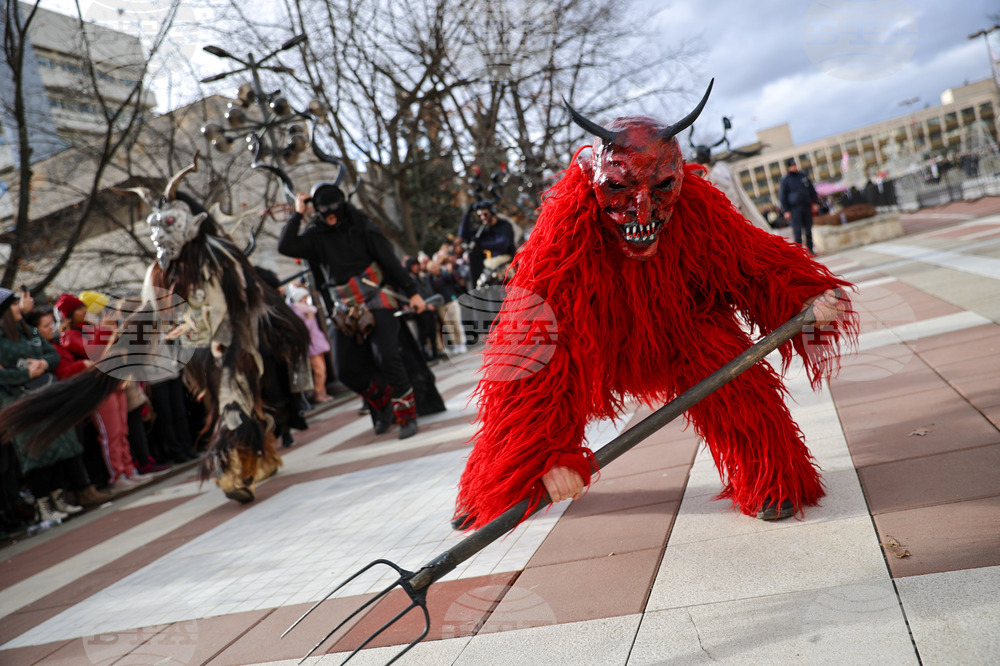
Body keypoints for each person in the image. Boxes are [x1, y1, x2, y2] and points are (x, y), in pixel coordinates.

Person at [453, 84, 856, 531]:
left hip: (680, 326)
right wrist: (550, 452)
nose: (642, 210)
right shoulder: (566, 230)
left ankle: (773, 477)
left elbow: (752, 262)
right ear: (594, 177)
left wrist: (803, 296)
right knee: (529, 395)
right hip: (593, 337)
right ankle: (487, 488)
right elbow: (535, 338)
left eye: (662, 187)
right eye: (621, 190)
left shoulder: (700, 211)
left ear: (680, 173)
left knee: (731, 372)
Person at [278, 181, 427, 439]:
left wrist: (412, 292)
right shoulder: (315, 236)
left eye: (335, 207)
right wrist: (297, 213)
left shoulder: (364, 228)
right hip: (344, 306)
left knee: (388, 356)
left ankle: (406, 416)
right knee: (344, 368)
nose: (331, 213)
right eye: (324, 209)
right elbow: (286, 246)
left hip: (377, 297)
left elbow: (390, 261)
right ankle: (381, 403)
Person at [23, 306, 113, 509]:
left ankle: (80, 491)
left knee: (76, 447)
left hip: (72, 400)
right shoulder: (57, 342)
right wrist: (82, 365)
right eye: (46, 325)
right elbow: (67, 369)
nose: (51, 328)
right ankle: (75, 492)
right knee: (64, 451)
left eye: (51, 324)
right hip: (57, 400)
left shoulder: (53, 345)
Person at [55, 292, 139, 490]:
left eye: (84, 307)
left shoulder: (91, 329)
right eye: (79, 309)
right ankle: (116, 475)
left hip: (114, 381)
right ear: (69, 315)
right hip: (97, 387)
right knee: (110, 432)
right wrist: (105, 330)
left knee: (122, 430)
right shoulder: (68, 335)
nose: (85, 311)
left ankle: (129, 469)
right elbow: (89, 350)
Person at [287, 284, 334, 404]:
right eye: (303, 297)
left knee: (323, 370)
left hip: (317, 343)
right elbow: (306, 329)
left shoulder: (307, 309)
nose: (305, 300)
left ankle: (322, 392)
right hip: (311, 346)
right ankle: (318, 394)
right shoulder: (299, 311)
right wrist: (310, 318)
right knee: (319, 370)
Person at [458, 202, 518, 288]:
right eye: (480, 215)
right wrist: (467, 213)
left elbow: (503, 244)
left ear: (492, 212)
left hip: (506, 270)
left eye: (485, 214)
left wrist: (481, 244)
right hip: (489, 273)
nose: (482, 217)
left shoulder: (504, 226)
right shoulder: (483, 230)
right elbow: (463, 234)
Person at [778, 158, 821, 254]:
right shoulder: (786, 180)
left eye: (795, 165)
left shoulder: (803, 176)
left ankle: (810, 250)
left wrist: (815, 202)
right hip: (794, 209)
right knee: (797, 231)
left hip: (806, 207)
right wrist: (786, 210)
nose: (794, 167)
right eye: (792, 166)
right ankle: (799, 252)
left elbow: (812, 190)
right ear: (789, 167)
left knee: (808, 230)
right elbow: (782, 197)